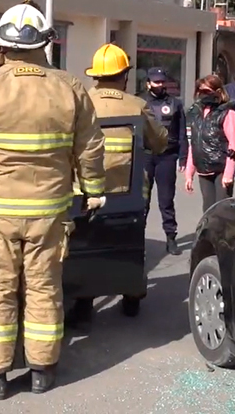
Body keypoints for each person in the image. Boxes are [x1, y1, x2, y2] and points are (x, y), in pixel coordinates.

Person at [0, 2, 107, 400]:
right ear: (45, 43)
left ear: (1, 44)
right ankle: (43, 370)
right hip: (49, 213)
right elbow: (90, 148)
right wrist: (94, 190)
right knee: (44, 289)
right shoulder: (70, 87)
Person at [67, 43, 169, 328]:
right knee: (130, 243)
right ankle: (131, 296)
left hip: (85, 192)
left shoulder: (79, 103)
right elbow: (159, 142)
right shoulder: (137, 106)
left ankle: (84, 302)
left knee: (86, 245)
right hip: (129, 194)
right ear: (124, 75)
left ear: (95, 77)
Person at [140, 67, 187, 256]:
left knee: (166, 200)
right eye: (155, 82)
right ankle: (139, 239)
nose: (159, 85)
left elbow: (182, 132)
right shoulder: (140, 102)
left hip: (167, 156)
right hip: (146, 155)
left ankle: (171, 238)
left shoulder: (175, 103)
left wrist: (183, 156)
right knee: (142, 200)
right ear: (148, 83)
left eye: (161, 81)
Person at [185, 75, 235, 212]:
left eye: (206, 91)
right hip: (203, 169)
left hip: (221, 169)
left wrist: (229, 174)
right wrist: (189, 173)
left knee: (222, 210)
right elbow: (194, 143)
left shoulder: (228, 113)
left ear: (218, 91)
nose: (202, 95)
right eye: (200, 91)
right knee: (208, 209)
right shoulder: (197, 113)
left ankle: (223, 234)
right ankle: (209, 234)